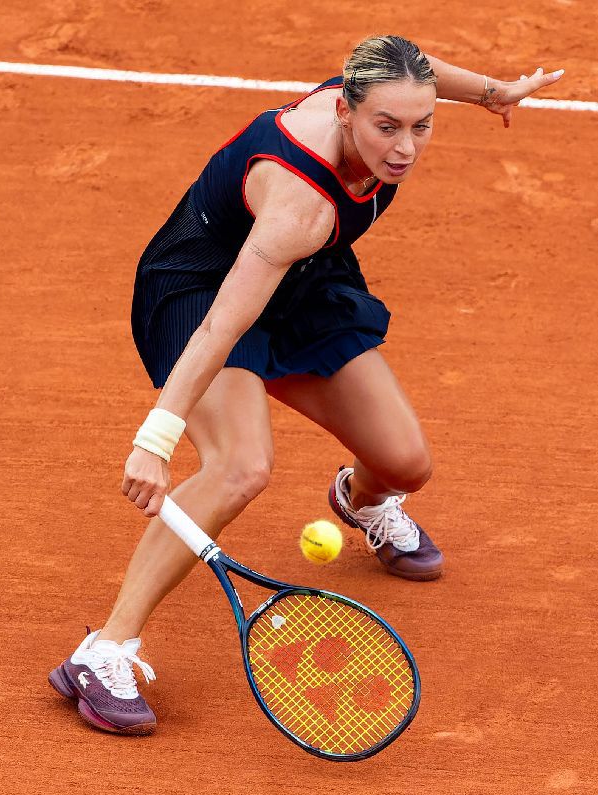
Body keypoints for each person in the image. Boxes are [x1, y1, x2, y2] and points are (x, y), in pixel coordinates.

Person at [48, 35, 564, 735]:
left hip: (305, 281)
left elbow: (418, 69)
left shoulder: (378, 88)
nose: (405, 147)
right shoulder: (300, 202)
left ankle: (359, 501)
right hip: (204, 292)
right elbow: (220, 330)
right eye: (387, 127)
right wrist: (156, 438)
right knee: (239, 467)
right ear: (347, 113)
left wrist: (490, 92)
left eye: (422, 125)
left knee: (406, 464)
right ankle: (104, 649)